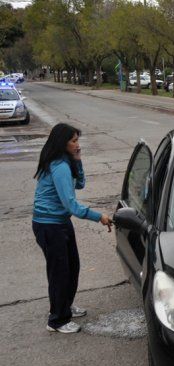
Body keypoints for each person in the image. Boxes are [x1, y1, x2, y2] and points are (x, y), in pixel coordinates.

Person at [32, 123, 113, 333]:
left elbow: (80, 184)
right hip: (49, 226)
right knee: (59, 272)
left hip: (59, 223)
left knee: (71, 267)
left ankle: (64, 307)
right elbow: (71, 205)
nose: (78, 145)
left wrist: (78, 161)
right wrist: (99, 217)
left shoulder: (65, 163)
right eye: (74, 141)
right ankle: (56, 321)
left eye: (78, 140)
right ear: (62, 143)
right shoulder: (58, 166)